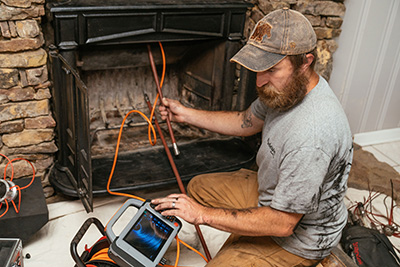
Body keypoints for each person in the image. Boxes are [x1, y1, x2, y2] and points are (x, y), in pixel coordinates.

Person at [151, 8, 353, 266]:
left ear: (306, 62)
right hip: (272, 191)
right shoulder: (286, 89)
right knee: (198, 188)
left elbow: (282, 224)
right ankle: (247, 228)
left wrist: (202, 215)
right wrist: (184, 114)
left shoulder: (311, 135)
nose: (259, 82)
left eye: (271, 70)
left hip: (299, 237)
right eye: (258, 69)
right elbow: (244, 122)